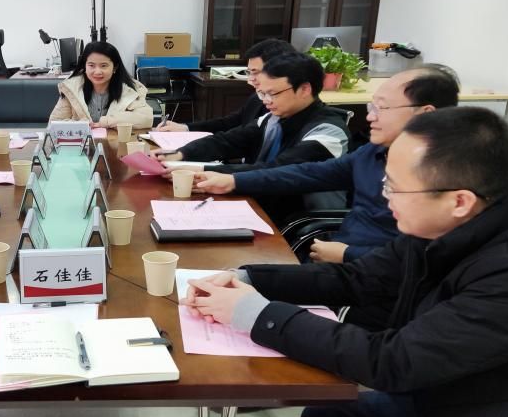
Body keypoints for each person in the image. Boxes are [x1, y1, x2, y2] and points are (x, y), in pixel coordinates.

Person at [183, 107, 508, 417]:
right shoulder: (455, 224)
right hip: (464, 397)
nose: (384, 196)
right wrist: (247, 277)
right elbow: (358, 278)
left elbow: (395, 362)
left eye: (395, 187)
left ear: (459, 200)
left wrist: (259, 316)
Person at [192, 65, 460, 264]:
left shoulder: (448, 176)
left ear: (425, 114)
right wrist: (233, 180)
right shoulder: (373, 152)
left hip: (372, 275)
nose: (370, 117)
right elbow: (307, 173)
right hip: (340, 260)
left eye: (382, 108)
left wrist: (349, 254)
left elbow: (428, 257)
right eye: (371, 107)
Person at [159, 52, 350, 222]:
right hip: (258, 206)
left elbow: (277, 170)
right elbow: (228, 140)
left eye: (272, 93)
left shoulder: (329, 133)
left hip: (297, 224)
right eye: (262, 93)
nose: (266, 101)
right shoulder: (275, 117)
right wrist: (179, 154)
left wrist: (203, 170)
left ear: (305, 89)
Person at [152, 38, 294, 133]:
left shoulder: (288, 114)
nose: (250, 80)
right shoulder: (257, 98)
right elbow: (229, 123)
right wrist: (185, 127)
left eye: (256, 72)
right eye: (249, 72)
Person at [49, 41, 153, 128]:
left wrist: (106, 122)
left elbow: (146, 118)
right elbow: (54, 123)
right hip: (83, 144)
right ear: (85, 66)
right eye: (91, 65)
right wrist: (83, 125)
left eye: (104, 66)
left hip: (118, 143)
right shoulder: (72, 88)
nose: (97, 72)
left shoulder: (130, 89)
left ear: (115, 67)